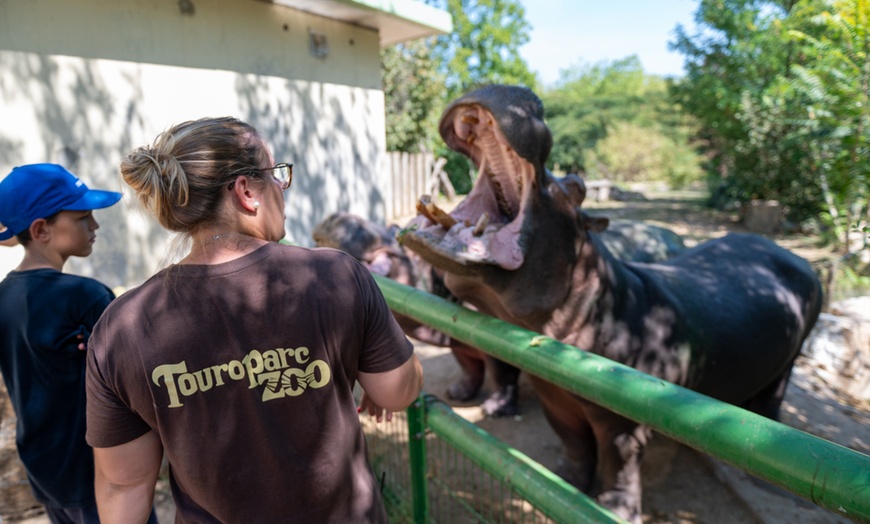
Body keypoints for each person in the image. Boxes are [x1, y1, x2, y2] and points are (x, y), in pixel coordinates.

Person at [85, 116, 424, 523]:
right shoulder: (334, 275)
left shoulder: (122, 328)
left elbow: (123, 486)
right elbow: (397, 392)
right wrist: (371, 359)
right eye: (276, 174)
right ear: (246, 191)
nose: (283, 187)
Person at [0, 163, 123, 523]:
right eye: (83, 217)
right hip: (102, 475)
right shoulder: (85, 297)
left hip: (44, 470)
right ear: (41, 230)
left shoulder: (3, 297)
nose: (95, 226)